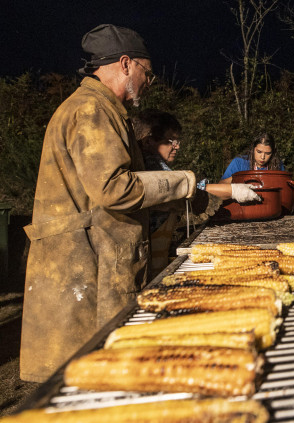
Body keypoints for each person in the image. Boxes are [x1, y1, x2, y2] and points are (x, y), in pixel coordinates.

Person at [20, 24, 199, 382]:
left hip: (93, 261)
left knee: (97, 379)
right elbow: (114, 189)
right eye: (148, 73)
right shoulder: (92, 111)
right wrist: (185, 181)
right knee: (90, 382)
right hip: (82, 269)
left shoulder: (103, 109)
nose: (149, 82)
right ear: (126, 64)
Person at [132, 109, 261, 271]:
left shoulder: (154, 164)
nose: (177, 147)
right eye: (171, 140)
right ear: (149, 141)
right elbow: (185, 190)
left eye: (178, 141)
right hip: (147, 256)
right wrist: (232, 191)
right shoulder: (150, 166)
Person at [219, 132, 285, 183]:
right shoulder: (239, 163)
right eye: (259, 152)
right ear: (253, 149)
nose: (262, 157)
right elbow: (221, 185)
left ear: (273, 153)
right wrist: (239, 179)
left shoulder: (278, 165)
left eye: (267, 153)